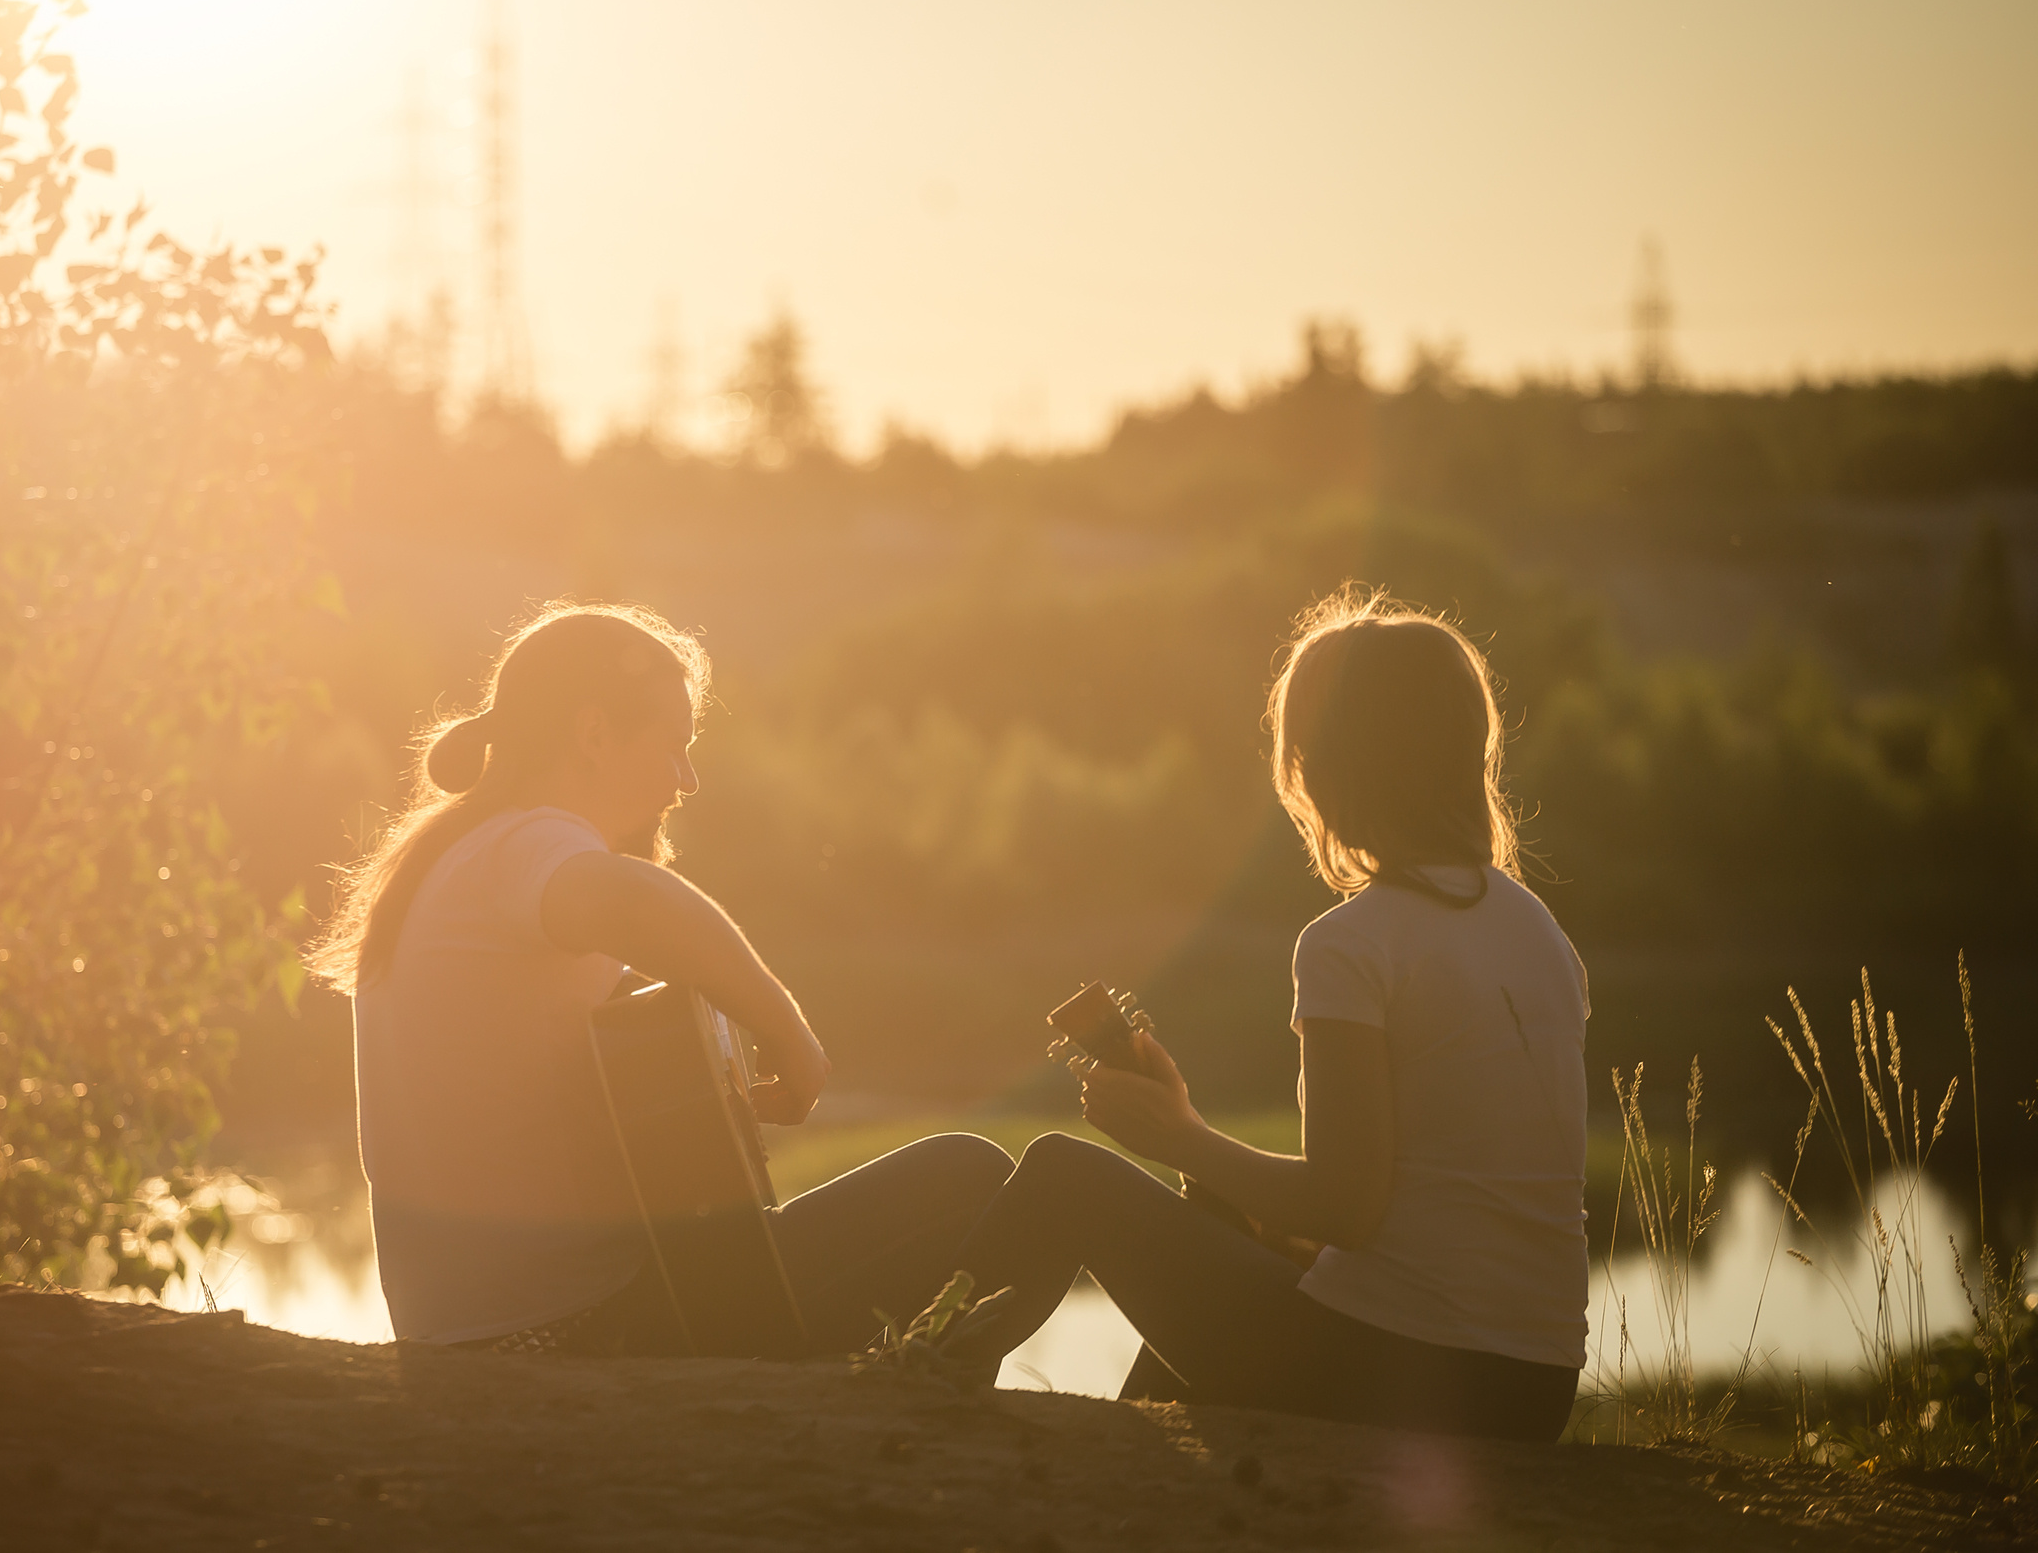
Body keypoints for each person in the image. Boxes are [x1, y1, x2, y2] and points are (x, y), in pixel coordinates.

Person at [946, 588, 1591, 1441]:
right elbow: (1406, 1201)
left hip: (1394, 1375)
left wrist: (1180, 1137)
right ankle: (1147, 1457)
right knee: (1216, 1212)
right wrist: (1208, 1163)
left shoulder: (1350, 944)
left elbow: (1343, 1206)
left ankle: (912, 1377)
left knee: (1064, 1172)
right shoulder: (1538, 931)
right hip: (1532, 1392)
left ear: (1327, 767)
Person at [313, 601, 1011, 1356]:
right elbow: (636, 901)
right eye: (676, 745)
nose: (688, 779)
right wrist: (787, 1030)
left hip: (485, 1330)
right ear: (593, 735)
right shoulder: (530, 840)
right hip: (579, 1329)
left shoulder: (457, 852)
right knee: (970, 1176)